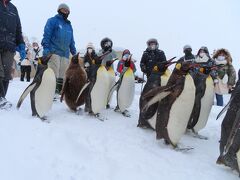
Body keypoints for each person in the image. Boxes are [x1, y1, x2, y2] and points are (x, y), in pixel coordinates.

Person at [41, 3, 77, 96]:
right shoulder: (52, 21)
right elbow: (47, 35)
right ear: (59, 10)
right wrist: (46, 48)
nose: (65, 12)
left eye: (67, 11)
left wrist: (74, 52)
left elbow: (71, 40)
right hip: (54, 51)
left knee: (62, 74)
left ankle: (58, 92)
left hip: (65, 53)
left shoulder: (69, 25)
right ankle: (50, 92)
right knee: (54, 72)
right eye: (63, 10)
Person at [0, 0, 26, 109]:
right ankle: (0, 98)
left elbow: (18, 28)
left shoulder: (13, 8)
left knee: (6, 73)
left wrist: (21, 43)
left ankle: (2, 97)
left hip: (9, 45)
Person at [83, 42, 101, 113]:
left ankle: (93, 108)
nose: (89, 50)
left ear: (93, 49)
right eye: (88, 48)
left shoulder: (95, 56)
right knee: (87, 93)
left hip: (94, 77)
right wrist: (85, 67)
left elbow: (98, 65)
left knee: (93, 93)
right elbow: (84, 66)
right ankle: (87, 107)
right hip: (88, 77)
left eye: (90, 48)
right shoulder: (85, 56)